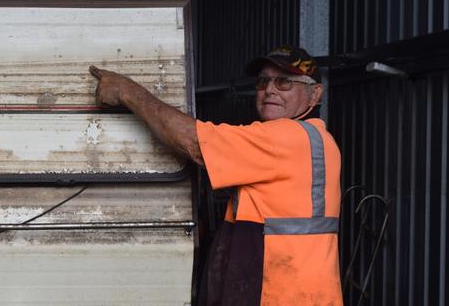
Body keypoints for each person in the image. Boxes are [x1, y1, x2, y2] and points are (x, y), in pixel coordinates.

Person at [89, 45, 343, 306]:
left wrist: (127, 92)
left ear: (315, 94)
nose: (270, 89)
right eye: (263, 81)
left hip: (281, 296)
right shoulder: (316, 139)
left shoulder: (289, 138)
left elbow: (194, 142)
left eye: (284, 82)